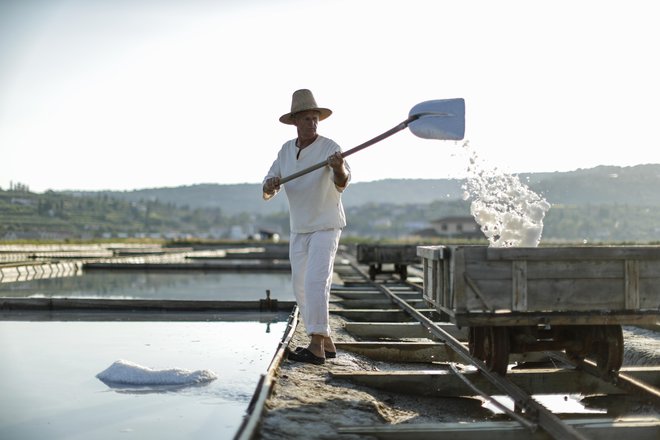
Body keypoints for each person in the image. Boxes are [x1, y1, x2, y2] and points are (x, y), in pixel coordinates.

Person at [262, 89, 350, 365]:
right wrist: (270, 184)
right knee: (300, 286)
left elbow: (342, 181)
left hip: (325, 225)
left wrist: (337, 167)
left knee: (315, 282)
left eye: (315, 118)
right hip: (299, 227)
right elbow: (268, 187)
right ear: (295, 121)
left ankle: (315, 347)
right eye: (307, 119)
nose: (312, 123)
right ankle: (327, 341)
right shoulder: (286, 151)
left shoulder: (330, 147)